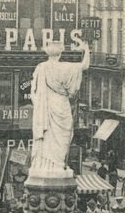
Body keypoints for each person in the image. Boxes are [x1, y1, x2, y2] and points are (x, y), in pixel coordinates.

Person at [30, 41, 90, 174]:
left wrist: (39, 105)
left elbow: (33, 93)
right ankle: (58, 164)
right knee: (64, 134)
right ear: (60, 53)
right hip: (61, 104)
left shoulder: (41, 67)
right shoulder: (66, 67)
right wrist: (86, 49)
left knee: (47, 136)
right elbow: (85, 66)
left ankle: (45, 164)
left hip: (46, 105)